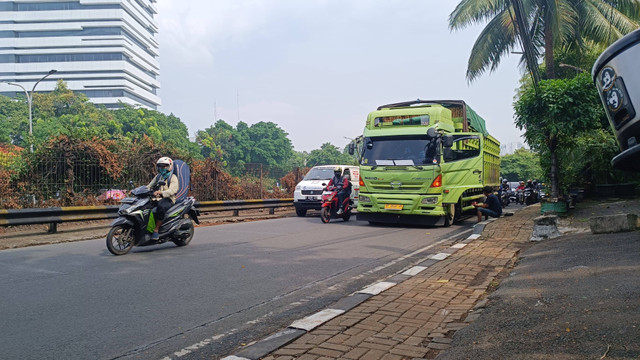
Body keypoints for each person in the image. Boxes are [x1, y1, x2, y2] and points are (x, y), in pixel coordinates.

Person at [147, 157, 179, 240]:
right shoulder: (158, 177)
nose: (162, 168)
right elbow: (149, 186)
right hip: (157, 199)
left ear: (170, 166)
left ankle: (156, 230)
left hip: (169, 199)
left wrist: (161, 193)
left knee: (160, 208)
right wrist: (137, 190)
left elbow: (173, 190)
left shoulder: (173, 177)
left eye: (164, 166)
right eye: (160, 166)